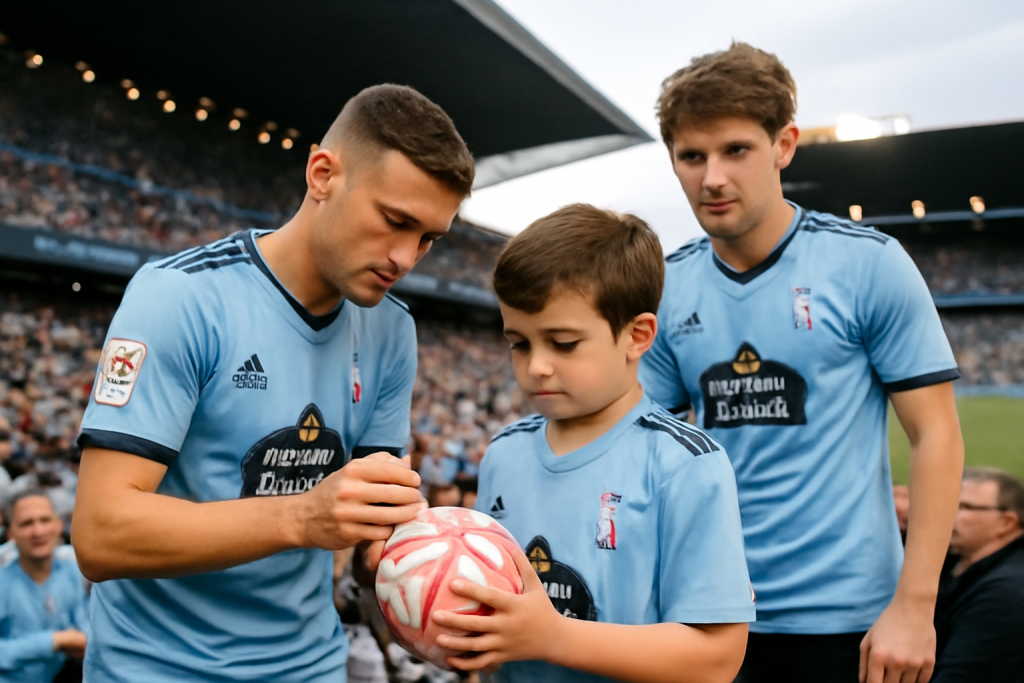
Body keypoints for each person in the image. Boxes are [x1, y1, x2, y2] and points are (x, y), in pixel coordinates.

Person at [71, 84, 474, 682]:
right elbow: (100, 535)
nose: (406, 257)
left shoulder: (393, 329)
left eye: (428, 239)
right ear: (322, 175)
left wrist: (427, 562)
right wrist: (303, 516)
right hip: (156, 668)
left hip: (311, 665)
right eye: (395, 221)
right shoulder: (179, 297)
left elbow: (369, 539)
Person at [640, 43, 964, 683]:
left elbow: (936, 434)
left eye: (736, 149)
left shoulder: (868, 264)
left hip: (849, 620)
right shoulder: (663, 287)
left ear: (784, 145)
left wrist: (914, 606)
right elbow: (640, 445)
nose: (712, 178)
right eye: (692, 156)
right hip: (708, 610)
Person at [432, 204, 754, 682]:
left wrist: (553, 636)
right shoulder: (502, 453)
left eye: (563, 343)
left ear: (637, 336)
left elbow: (718, 659)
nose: (537, 366)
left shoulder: (686, 465)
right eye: (519, 343)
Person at [932, 467, 1024, 682]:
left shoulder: (1006, 593)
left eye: (963, 506)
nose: (944, 513)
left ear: (1006, 522)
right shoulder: (955, 560)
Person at [0, 489, 89, 683]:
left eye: (45, 520)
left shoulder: (70, 571)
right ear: (11, 533)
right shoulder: (3, 583)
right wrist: (54, 640)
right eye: (26, 523)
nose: (38, 532)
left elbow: (83, 621)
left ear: (58, 525)